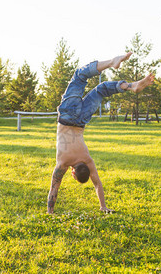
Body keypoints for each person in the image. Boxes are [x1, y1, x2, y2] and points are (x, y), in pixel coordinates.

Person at [47, 52, 155, 214]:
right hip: (67, 116)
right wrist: (50, 211)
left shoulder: (88, 160)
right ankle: (116, 67)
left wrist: (103, 206)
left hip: (82, 120)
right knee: (79, 76)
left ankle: (131, 85)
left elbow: (97, 184)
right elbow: (54, 187)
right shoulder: (63, 163)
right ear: (74, 171)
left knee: (102, 89)